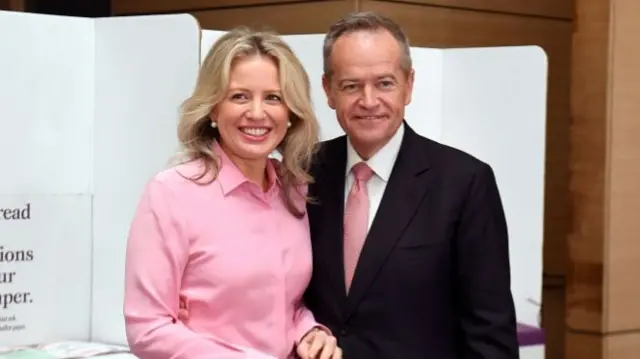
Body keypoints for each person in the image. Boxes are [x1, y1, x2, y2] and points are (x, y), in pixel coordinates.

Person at [302, 12, 520, 358]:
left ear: (409, 85)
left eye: (384, 83)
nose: (369, 100)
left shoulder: (464, 183)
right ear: (329, 90)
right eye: (351, 85)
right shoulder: (302, 173)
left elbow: (489, 333)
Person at [123, 27, 342, 359]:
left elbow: (286, 304)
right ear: (213, 108)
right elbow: (148, 329)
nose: (257, 113)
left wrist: (309, 331)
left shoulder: (295, 188)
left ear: (290, 112)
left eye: (273, 97)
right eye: (239, 96)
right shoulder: (171, 194)